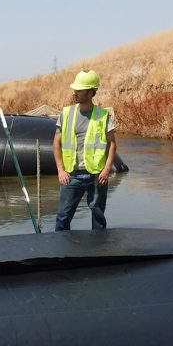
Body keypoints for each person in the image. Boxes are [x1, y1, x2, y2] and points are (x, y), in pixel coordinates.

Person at [53, 70, 117, 230]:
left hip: (97, 175)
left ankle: (98, 250)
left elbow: (113, 144)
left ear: (91, 92)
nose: (75, 93)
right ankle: (61, 252)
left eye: (80, 90)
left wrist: (107, 169)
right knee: (63, 217)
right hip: (71, 175)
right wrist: (61, 170)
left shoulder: (103, 115)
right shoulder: (66, 113)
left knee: (98, 217)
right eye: (75, 89)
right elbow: (56, 143)